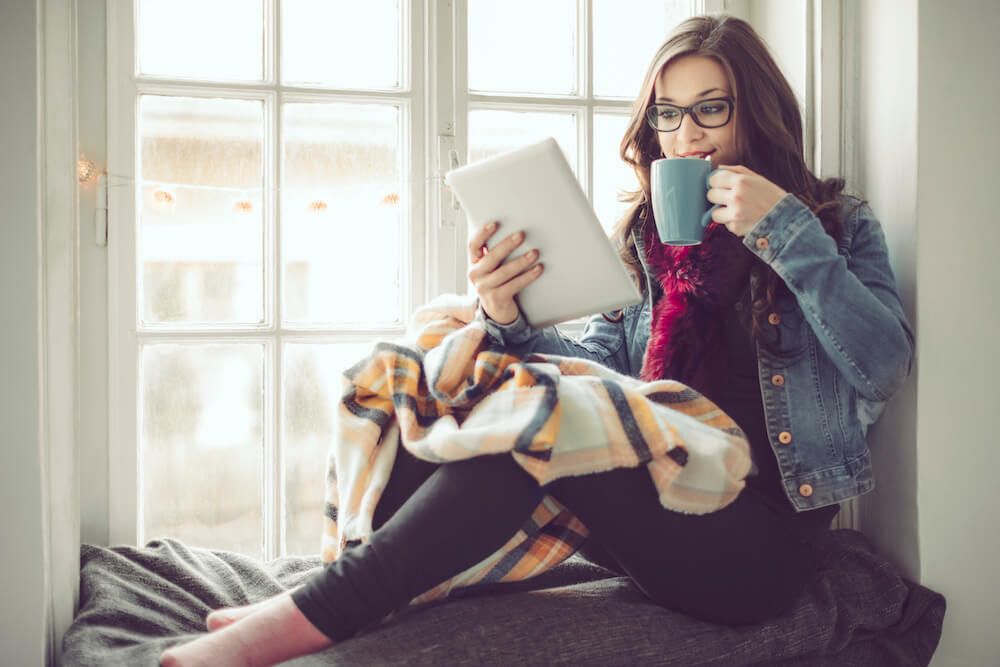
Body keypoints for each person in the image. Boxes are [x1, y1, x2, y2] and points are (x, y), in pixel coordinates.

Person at [160, 14, 913, 667]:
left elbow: (883, 363)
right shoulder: (649, 243)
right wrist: (508, 313)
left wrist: (784, 232)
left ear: (759, 115)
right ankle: (349, 587)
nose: (685, 136)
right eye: (667, 115)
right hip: (654, 510)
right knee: (454, 384)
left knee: (543, 426)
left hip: (755, 550)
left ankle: (303, 618)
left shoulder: (832, 225)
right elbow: (605, 382)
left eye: (710, 110)